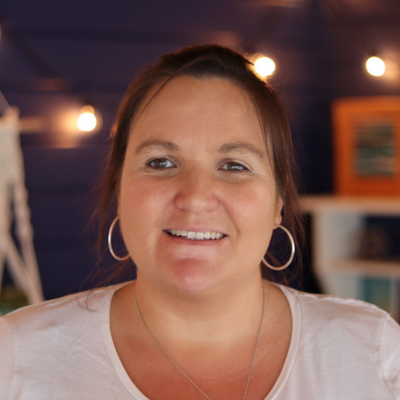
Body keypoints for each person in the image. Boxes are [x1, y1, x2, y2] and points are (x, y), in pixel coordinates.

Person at [0, 44, 399, 400]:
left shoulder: (372, 352)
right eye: (161, 162)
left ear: (278, 201)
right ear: (119, 190)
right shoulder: (17, 356)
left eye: (233, 165)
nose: (194, 197)